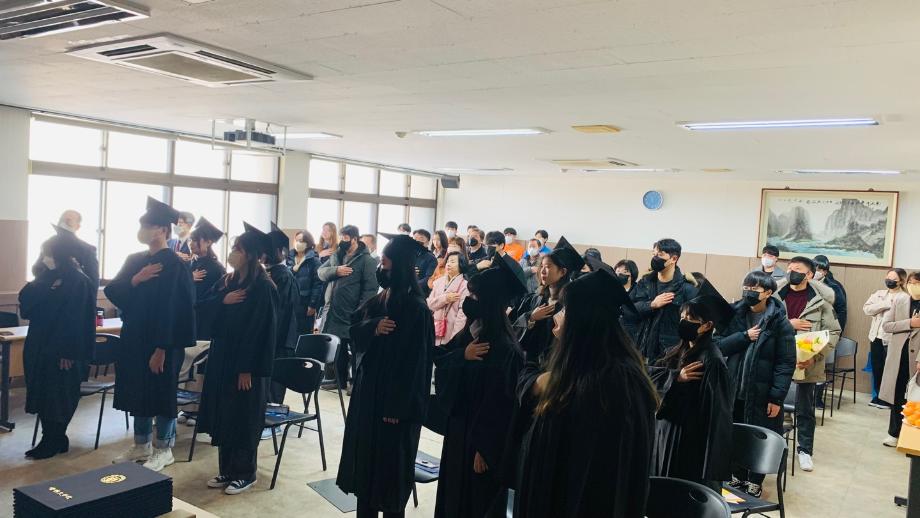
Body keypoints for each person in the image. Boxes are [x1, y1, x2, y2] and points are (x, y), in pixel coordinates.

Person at [515, 268, 657, 518]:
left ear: (584, 319)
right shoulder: (579, 368)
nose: (558, 317)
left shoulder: (617, 382)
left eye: (565, 310)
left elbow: (600, 476)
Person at [337, 233, 434, 518]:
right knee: (366, 477)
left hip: (394, 410)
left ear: (400, 266)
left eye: (385, 262)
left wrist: (397, 408)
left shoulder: (417, 309)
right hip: (369, 400)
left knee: (389, 481)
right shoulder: (382, 298)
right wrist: (374, 326)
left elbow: (417, 366)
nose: (381, 268)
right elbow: (354, 328)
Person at [106, 196, 196, 472]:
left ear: (162, 230)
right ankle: (141, 444)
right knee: (138, 391)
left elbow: (177, 310)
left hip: (163, 342)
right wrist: (136, 279)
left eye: (147, 226)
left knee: (161, 394)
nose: (142, 231)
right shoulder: (135, 260)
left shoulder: (175, 265)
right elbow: (113, 290)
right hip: (135, 337)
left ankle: (163, 449)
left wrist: (162, 348)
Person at [434, 255, 527, 518]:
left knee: (475, 503)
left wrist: (485, 449)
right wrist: (462, 356)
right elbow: (441, 359)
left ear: (490, 301)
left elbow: (502, 405)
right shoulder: (472, 332)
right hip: (459, 432)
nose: (469, 301)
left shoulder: (506, 349)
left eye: (475, 296)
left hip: (480, 444)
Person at [197, 225, 278, 495]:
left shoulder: (263, 287)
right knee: (225, 413)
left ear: (251, 255)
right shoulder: (229, 282)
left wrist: (247, 369)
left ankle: (245, 473)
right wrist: (224, 300)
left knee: (244, 416)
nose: (233, 253)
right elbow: (202, 308)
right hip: (223, 358)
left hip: (246, 364)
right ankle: (227, 469)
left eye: (238, 249)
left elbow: (262, 333)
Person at [649, 278, 733, 492]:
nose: (684, 321)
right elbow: (649, 374)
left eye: (690, 318)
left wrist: (710, 468)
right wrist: (675, 377)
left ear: (707, 325)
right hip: (665, 432)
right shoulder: (679, 349)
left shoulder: (712, 360)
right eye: (682, 317)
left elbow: (716, 414)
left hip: (687, 438)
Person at [717, 270, 795, 497]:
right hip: (733, 389)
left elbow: (785, 363)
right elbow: (718, 345)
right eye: (746, 287)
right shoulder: (733, 314)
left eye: (754, 289)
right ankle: (736, 475)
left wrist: (776, 398)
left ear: (768, 293)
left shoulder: (780, 323)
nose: (748, 292)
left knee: (757, 436)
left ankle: (755, 480)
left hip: (762, 393)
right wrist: (743, 336)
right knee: (734, 433)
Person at [19, 226, 96, 459]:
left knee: (58, 395)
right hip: (40, 344)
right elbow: (27, 304)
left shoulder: (79, 280)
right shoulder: (47, 277)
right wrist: (46, 286)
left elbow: (77, 319)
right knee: (42, 392)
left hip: (63, 349)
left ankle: (52, 439)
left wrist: (68, 352)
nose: (45, 257)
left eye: (48, 253)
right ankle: (56, 438)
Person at [776, 256, 840, 473]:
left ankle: (805, 451)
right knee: (773, 405)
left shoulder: (821, 301)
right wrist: (788, 324)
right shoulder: (776, 296)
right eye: (789, 268)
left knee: (804, 409)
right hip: (777, 360)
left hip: (807, 363)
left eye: (797, 269)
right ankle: (774, 446)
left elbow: (834, 332)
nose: (791, 272)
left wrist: (815, 357)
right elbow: (764, 323)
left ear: (809, 274)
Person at [177, 217, 226, 428]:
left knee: (200, 366)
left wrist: (196, 302)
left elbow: (217, 298)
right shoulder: (191, 264)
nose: (192, 244)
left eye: (197, 240)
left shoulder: (215, 268)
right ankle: (186, 407)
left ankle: (198, 409)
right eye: (191, 240)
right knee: (187, 363)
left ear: (208, 242)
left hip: (205, 322)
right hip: (189, 320)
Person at [318, 225, 379, 390]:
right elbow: (320, 273)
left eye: (346, 238)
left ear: (354, 239)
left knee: (356, 349)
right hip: (334, 310)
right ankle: (339, 380)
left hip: (353, 312)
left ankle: (355, 382)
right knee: (339, 348)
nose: (342, 241)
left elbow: (370, 289)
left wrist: (360, 311)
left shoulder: (367, 261)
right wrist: (336, 270)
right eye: (341, 237)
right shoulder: (337, 255)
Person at [512, 237, 584, 361]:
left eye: (548, 266)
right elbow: (514, 329)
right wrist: (531, 317)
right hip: (529, 363)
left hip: (553, 364)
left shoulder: (570, 305)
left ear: (563, 272)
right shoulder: (535, 299)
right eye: (542, 266)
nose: (543, 271)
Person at [630, 238, 699, 364]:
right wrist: (651, 305)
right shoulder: (645, 282)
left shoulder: (687, 289)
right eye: (654, 254)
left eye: (660, 255)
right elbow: (629, 309)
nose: (655, 258)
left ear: (674, 259)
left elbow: (695, 323)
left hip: (670, 353)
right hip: (642, 348)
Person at [879, 272, 920, 447]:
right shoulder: (900, 300)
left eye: (917, 283)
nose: (913, 286)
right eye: (911, 282)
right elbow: (887, 326)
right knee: (897, 395)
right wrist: (910, 323)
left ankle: (912, 436)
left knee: (915, 397)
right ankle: (894, 433)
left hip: (917, 358)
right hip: (899, 356)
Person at [265, 222, 300, 405]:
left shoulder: (283, 276)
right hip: (273, 336)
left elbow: (280, 312)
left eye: (268, 250)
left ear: (280, 252)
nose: (264, 254)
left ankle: (273, 414)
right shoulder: (270, 273)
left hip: (281, 337)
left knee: (274, 385)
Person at [864, 268, 907, 409]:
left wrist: (881, 307)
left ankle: (888, 399)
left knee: (889, 370)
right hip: (875, 336)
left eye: (894, 279)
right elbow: (867, 309)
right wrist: (885, 304)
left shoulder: (904, 297)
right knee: (877, 367)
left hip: (891, 339)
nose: (890, 281)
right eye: (888, 278)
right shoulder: (879, 294)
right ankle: (878, 396)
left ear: (901, 281)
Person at [33, 210, 100, 289]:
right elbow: (37, 269)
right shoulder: (48, 245)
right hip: (49, 293)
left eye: (68, 220)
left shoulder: (87, 250)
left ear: (77, 227)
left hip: (74, 294)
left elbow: (93, 283)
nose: (63, 223)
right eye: (61, 220)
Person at [428, 252, 470, 346]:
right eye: (448, 261)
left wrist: (455, 339)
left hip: (452, 330)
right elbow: (430, 304)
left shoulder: (465, 286)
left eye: (453, 261)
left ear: (461, 264)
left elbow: (462, 316)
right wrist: (445, 298)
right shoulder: (438, 282)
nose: (448, 264)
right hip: (436, 327)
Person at [288, 230, 323, 335]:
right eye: (296, 240)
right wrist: (292, 269)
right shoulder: (289, 258)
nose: (298, 243)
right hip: (290, 302)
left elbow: (318, 284)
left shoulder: (314, 261)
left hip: (305, 302)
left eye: (301, 241)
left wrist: (312, 305)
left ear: (308, 243)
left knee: (303, 332)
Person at [813, 255, 848, 332]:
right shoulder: (806, 283)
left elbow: (840, 311)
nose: (815, 272)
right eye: (814, 269)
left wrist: (837, 332)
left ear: (825, 272)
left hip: (827, 327)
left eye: (819, 270)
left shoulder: (834, 287)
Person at [614, 259, 641, 340]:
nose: (619, 274)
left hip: (631, 333)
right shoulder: (611, 288)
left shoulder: (639, 290)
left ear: (631, 275)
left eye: (625, 272)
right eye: (618, 271)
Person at [412, 230, 437, 294]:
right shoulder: (409, 255)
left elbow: (428, 278)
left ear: (428, 242)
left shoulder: (432, 259)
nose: (417, 242)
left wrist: (412, 286)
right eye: (415, 239)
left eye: (421, 239)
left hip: (420, 292)